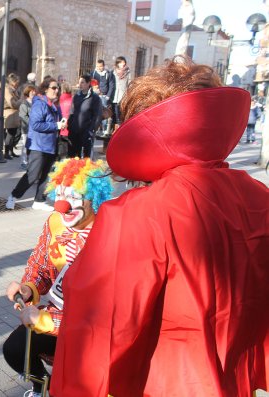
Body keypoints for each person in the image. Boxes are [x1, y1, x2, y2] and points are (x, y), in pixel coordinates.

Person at [51, 58, 269, 396]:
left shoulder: (136, 214)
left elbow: (98, 330)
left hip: (165, 383)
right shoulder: (260, 198)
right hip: (232, 379)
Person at [3, 158, 113, 397]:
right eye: (60, 195)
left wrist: (47, 321)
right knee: (16, 349)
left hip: (94, 335)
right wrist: (27, 288)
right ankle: (43, 386)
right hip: (55, 317)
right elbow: (40, 266)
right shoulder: (55, 222)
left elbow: (106, 315)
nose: (63, 205)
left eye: (74, 197)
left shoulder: (110, 233)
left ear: (94, 198)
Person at [5, 77, 65, 211]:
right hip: (38, 146)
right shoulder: (40, 104)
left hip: (51, 145)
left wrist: (61, 123)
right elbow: (36, 124)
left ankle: (39, 200)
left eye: (58, 88)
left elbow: (57, 122)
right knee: (32, 175)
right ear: (45, 89)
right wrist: (55, 125)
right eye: (54, 88)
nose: (57, 90)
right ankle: (13, 196)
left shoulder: (54, 105)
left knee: (47, 175)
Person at [69, 74, 101, 159]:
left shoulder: (94, 98)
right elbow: (72, 112)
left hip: (86, 132)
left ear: (88, 83)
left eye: (82, 82)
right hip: (75, 132)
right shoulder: (76, 96)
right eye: (79, 82)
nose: (80, 85)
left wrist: (91, 130)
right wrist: (70, 126)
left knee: (86, 158)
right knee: (74, 157)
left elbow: (97, 116)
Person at [92, 59, 115, 136]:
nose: (99, 68)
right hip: (96, 96)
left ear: (103, 66)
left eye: (100, 66)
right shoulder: (93, 73)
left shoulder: (108, 73)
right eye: (97, 66)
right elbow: (91, 83)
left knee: (104, 113)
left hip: (104, 96)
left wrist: (108, 96)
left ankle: (104, 130)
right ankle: (97, 129)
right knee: (96, 113)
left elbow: (111, 85)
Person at [3, 73, 23, 159]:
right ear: (13, 82)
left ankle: (11, 151)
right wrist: (21, 101)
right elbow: (12, 103)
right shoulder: (7, 90)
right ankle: (6, 152)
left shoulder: (13, 90)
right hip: (10, 113)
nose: (18, 84)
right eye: (17, 82)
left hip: (14, 114)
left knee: (14, 133)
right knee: (10, 134)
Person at [19, 84, 37, 170]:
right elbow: (23, 116)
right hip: (26, 128)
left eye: (34, 91)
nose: (33, 93)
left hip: (34, 128)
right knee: (25, 144)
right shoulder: (24, 104)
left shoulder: (36, 102)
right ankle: (24, 161)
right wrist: (31, 123)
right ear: (28, 92)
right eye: (31, 91)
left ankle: (30, 160)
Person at [111, 56, 130, 133]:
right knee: (113, 114)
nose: (123, 64)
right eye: (121, 62)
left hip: (122, 96)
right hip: (114, 95)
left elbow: (129, 83)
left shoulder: (127, 72)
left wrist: (127, 94)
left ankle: (118, 130)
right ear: (117, 63)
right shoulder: (113, 72)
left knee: (120, 114)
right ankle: (112, 130)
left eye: (124, 62)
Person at [57, 82, 74, 159]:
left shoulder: (59, 100)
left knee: (61, 150)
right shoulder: (73, 99)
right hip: (70, 127)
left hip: (60, 127)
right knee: (69, 151)